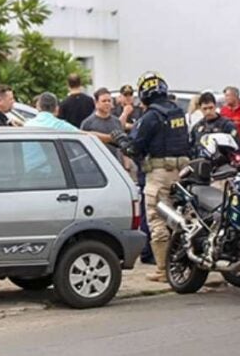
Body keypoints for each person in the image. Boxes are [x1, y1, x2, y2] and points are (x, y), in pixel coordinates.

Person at [115, 72, 191, 283]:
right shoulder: (178, 113)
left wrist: (120, 139)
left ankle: (162, 269)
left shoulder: (150, 117)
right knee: (183, 219)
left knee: (158, 220)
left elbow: (134, 147)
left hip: (159, 175)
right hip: (183, 173)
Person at [80, 88, 129, 168]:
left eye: (109, 101)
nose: (107, 103)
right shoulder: (87, 123)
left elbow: (123, 146)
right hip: (96, 166)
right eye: (104, 101)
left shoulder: (117, 122)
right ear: (96, 103)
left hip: (116, 164)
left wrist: (126, 166)